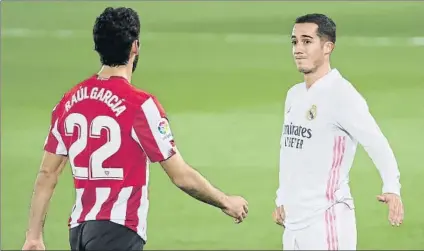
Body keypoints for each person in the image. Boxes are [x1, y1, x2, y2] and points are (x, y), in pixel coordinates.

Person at [22, 7, 248, 251]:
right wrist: (226, 201)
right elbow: (181, 176)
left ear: (98, 47)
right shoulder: (140, 105)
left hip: (79, 230)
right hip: (118, 229)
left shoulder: (68, 102)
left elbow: (47, 173)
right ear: (135, 47)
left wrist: (34, 236)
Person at [272, 13, 404, 250]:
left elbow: (376, 142)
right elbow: (289, 152)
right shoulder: (294, 95)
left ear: (327, 47)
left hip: (326, 220)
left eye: (306, 41)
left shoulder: (342, 95)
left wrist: (391, 188)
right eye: (294, 42)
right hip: (293, 224)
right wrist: (282, 198)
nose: (298, 49)